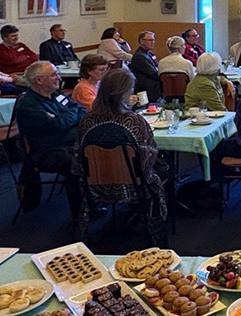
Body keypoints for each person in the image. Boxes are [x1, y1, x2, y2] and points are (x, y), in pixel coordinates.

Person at [76, 68, 166, 237]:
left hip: (94, 184)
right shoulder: (134, 120)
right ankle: (155, 222)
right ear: (124, 92)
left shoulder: (86, 120)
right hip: (133, 184)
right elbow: (148, 155)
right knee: (165, 166)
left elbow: (78, 156)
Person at [14, 62, 83, 216]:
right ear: (39, 80)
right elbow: (58, 125)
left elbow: (80, 109)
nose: (58, 78)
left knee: (96, 150)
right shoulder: (28, 105)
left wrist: (64, 117)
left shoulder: (56, 94)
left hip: (69, 142)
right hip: (46, 151)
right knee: (75, 163)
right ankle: (80, 215)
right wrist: (68, 116)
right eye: (53, 74)